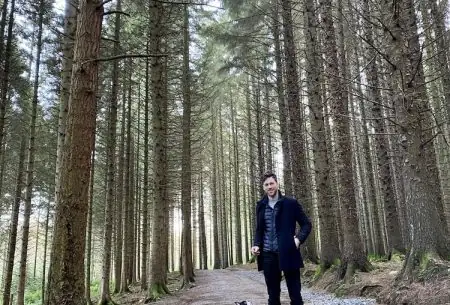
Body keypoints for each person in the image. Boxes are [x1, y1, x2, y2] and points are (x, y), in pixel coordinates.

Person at [251, 171, 312, 305]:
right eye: (266, 185)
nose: (269, 187)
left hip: (288, 252)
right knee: (273, 296)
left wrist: (298, 240)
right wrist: (256, 244)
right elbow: (259, 230)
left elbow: (306, 224)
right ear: (263, 187)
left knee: (295, 295)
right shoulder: (260, 205)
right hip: (267, 255)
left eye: (272, 183)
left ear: (277, 184)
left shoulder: (290, 203)